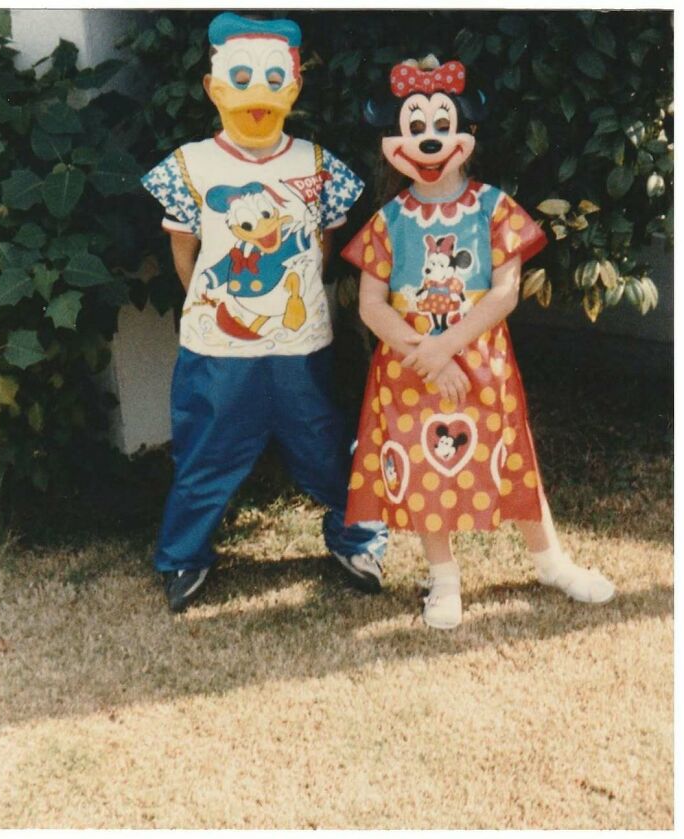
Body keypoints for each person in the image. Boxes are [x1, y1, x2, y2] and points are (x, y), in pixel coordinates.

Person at [341, 55, 615, 629]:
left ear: (467, 134)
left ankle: (551, 562)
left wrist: (446, 348)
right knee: (420, 467)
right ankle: (443, 580)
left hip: (482, 361)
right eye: (415, 127)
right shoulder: (388, 220)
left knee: (513, 460)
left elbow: (504, 294)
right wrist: (427, 356)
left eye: (442, 125)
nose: (430, 139)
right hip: (407, 370)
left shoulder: (494, 209)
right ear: (394, 141)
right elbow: (371, 304)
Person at [141, 12, 387, 612]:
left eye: (273, 78)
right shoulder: (192, 165)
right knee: (206, 451)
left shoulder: (317, 164)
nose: (257, 91)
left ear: (294, 87)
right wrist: (220, 302)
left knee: (323, 443)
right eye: (242, 76)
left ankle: (357, 538)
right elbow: (186, 255)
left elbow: (325, 247)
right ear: (213, 86)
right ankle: (184, 557)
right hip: (217, 349)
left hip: (301, 345)